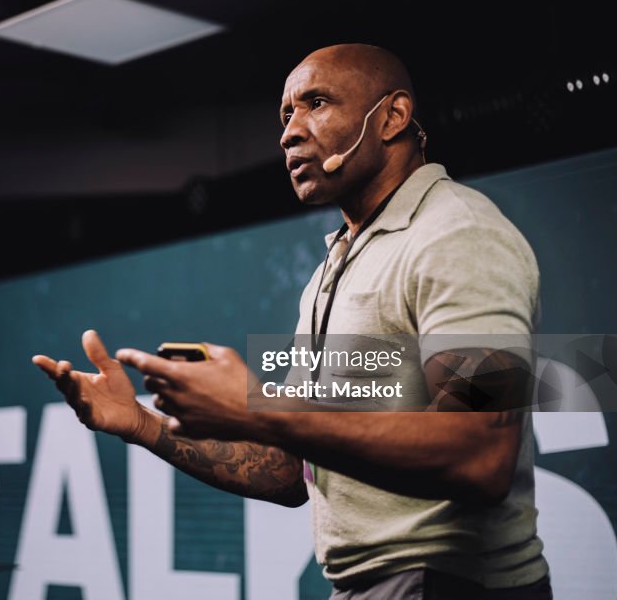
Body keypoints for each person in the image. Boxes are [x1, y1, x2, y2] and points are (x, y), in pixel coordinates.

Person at [33, 44, 552, 599]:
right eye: (286, 115)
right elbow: (287, 469)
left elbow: (480, 455)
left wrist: (262, 409)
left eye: (316, 103)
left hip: (452, 584)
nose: (288, 133)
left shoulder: (457, 234)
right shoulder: (336, 266)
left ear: (393, 117)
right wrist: (143, 424)